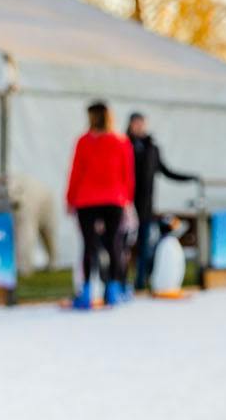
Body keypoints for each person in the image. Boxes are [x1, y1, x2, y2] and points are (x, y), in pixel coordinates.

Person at [65, 101, 134, 308]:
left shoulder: (84, 141)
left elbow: (76, 172)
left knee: (88, 245)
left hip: (86, 199)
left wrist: (70, 199)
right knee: (114, 244)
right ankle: (112, 290)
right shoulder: (121, 141)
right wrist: (127, 200)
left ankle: (86, 291)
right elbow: (127, 175)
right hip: (114, 199)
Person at [126, 112, 196, 293]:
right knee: (124, 246)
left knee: (145, 245)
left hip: (146, 207)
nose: (139, 127)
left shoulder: (152, 148)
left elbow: (166, 171)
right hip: (126, 205)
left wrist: (189, 178)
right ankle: (119, 281)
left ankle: (141, 281)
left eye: (141, 123)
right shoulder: (124, 146)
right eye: (136, 123)